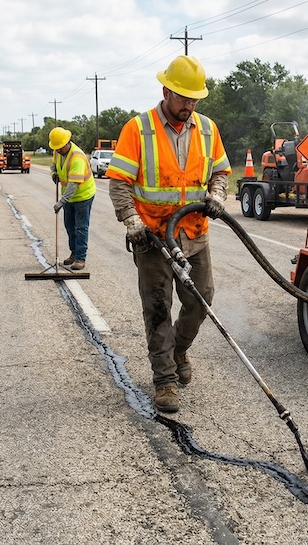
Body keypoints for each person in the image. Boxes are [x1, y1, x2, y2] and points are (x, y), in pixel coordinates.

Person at [105, 55, 231, 414]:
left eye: (194, 100)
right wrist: (132, 220)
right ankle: (165, 381)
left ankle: (178, 351)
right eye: (183, 98)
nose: (189, 106)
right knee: (158, 308)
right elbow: (119, 183)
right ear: (165, 91)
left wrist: (218, 195)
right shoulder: (138, 129)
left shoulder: (207, 129)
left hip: (194, 233)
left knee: (201, 298)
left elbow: (220, 172)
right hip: (153, 238)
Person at [48, 127, 96, 271]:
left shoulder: (77, 157)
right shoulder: (57, 151)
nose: (57, 150)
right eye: (56, 148)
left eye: (60, 148)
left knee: (81, 227)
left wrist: (60, 202)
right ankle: (74, 253)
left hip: (83, 196)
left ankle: (80, 258)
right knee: (69, 226)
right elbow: (53, 166)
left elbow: (73, 185)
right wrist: (54, 173)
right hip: (69, 198)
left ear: (67, 143)